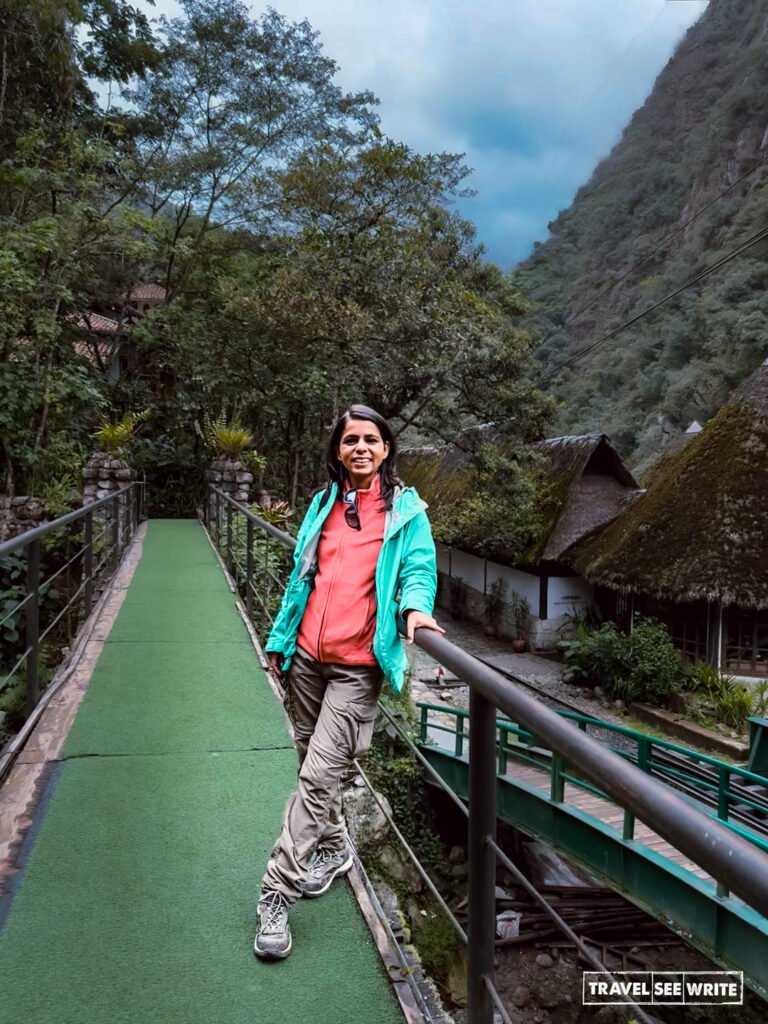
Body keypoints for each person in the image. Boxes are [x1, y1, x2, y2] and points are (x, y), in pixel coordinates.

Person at [254, 404, 444, 960]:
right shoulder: (323, 503)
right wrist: (279, 638)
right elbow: (302, 576)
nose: (360, 447)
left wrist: (414, 610)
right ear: (338, 450)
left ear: (386, 449)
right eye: (350, 440)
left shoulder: (407, 511)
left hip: (357, 668)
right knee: (308, 761)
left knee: (317, 778)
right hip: (307, 658)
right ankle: (333, 845)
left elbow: (418, 570)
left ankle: (275, 893)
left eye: (371, 440)